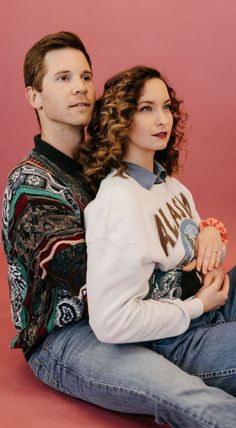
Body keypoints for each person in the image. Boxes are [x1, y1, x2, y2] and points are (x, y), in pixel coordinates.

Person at [1, 32, 236, 428]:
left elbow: (163, 218)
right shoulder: (31, 187)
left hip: (152, 308)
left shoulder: (107, 159)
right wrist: (197, 291)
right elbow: (100, 285)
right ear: (34, 97)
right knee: (183, 395)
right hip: (74, 335)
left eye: (85, 76)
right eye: (62, 78)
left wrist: (208, 233)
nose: (79, 88)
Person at [82, 65, 236, 396]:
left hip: (210, 304)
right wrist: (197, 307)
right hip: (178, 339)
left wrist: (210, 237)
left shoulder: (171, 188)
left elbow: (194, 251)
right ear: (120, 119)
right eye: (146, 109)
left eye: (166, 107)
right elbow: (111, 321)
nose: (162, 119)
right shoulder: (117, 204)